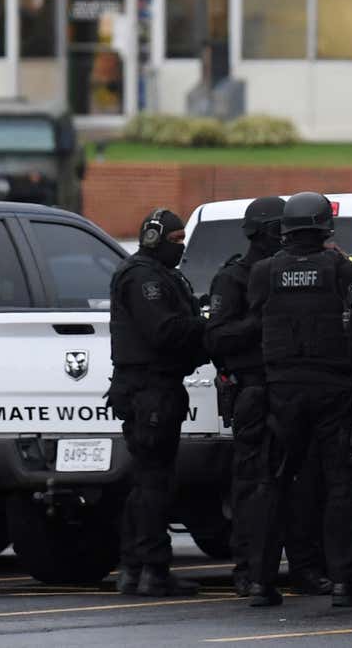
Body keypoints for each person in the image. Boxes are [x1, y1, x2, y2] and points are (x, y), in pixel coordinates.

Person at [244, 192, 352, 609]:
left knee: (272, 485)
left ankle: (261, 582)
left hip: (281, 391)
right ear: (323, 229)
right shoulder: (340, 269)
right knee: (340, 486)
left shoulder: (263, 271)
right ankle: (345, 584)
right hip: (332, 389)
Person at [206, 196, 332, 599]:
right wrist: (262, 320)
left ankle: (305, 567)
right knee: (256, 485)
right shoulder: (236, 278)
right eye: (279, 229)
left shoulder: (295, 270)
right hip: (256, 390)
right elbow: (216, 337)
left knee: (305, 485)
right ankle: (249, 569)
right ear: (262, 232)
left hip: (293, 389)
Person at [107, 208, 207, 597]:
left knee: (147, 481)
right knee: (154, 483)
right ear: (153, 238)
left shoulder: (157, 274)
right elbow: (163, 330)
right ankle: (152, 569)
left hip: (151, 388)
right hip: (149, 390)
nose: (179, 248)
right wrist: (207, 328)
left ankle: (135, 568)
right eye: (174, 241)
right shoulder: (143, 277)